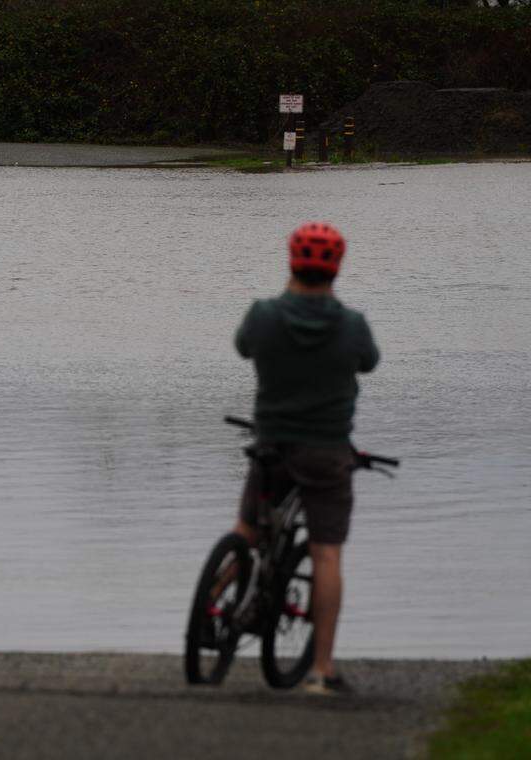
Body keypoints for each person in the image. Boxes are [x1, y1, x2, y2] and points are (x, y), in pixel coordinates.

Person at [233, 221, 379, 695]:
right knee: (326, 552)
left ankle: (215, 609)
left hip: (272, 445)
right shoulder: (352, 325)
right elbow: (368, 362)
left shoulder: (263, 315)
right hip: (327, 452)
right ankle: (321, 671)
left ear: (291, 261)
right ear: (337, 267)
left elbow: (243, 347)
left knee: (247, 530)